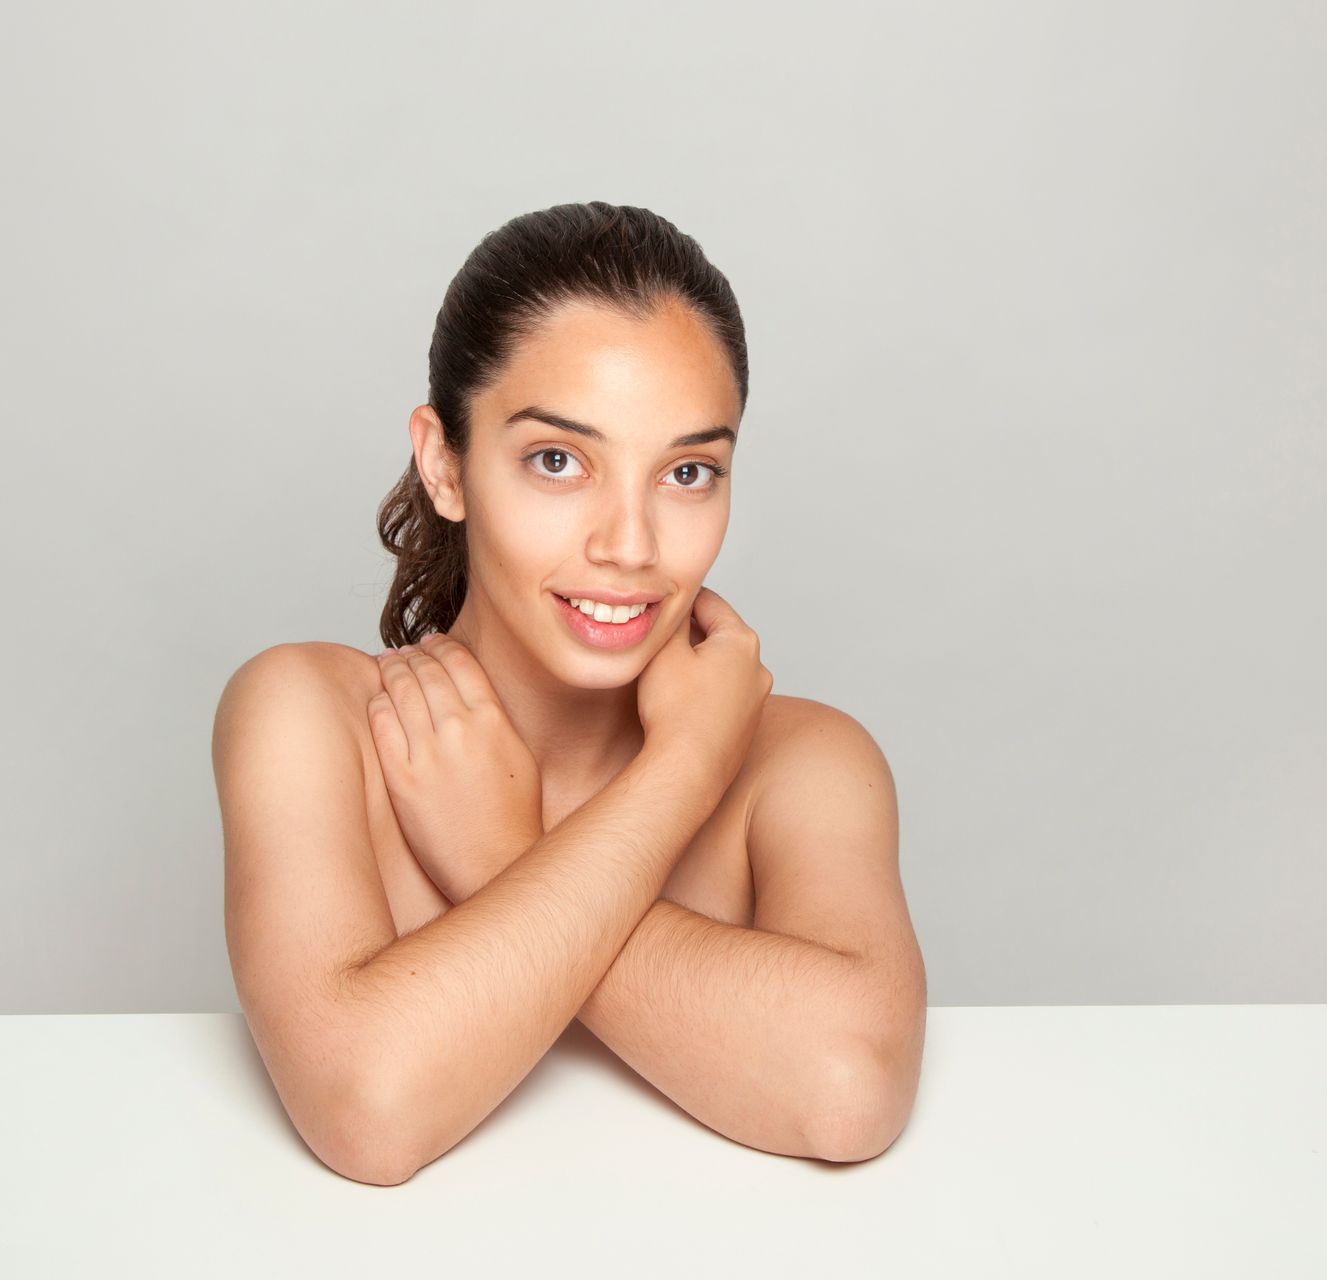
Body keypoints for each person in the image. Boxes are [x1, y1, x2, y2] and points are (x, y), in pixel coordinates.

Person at [209, 202, 926, 1184]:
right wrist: (677, 775)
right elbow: (367, 1104)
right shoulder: (310, 717)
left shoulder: (802, 763)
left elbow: (847, 1085)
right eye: (558, 461)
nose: (628, 545)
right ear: (445, 463)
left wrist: (516, 845)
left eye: (686, 471)